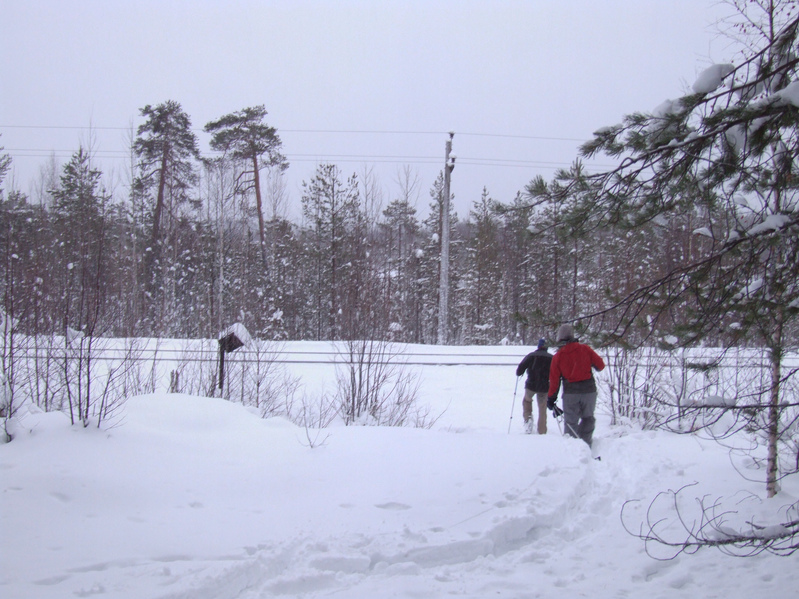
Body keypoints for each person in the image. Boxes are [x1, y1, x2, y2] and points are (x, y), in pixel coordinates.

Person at [547, 324, 605, 446]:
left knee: (570, 423)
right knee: (588, 418)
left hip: (571, 393)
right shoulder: (585, 349)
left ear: (560, 338)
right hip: (589, 391)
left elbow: (554, 380)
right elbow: (600, 365)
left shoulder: (558, 356)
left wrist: (551, 398)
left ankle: (573, 450)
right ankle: (586, 445)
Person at [515, 338, 553, 434]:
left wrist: (520, 372)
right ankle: (542, 430)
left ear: (538, 346)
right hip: (544, 387)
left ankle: (528, 420)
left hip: (531, 385)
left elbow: (519, 370)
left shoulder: (531, 356)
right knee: (542, 407)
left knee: (527, 400)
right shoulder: (551, 358)